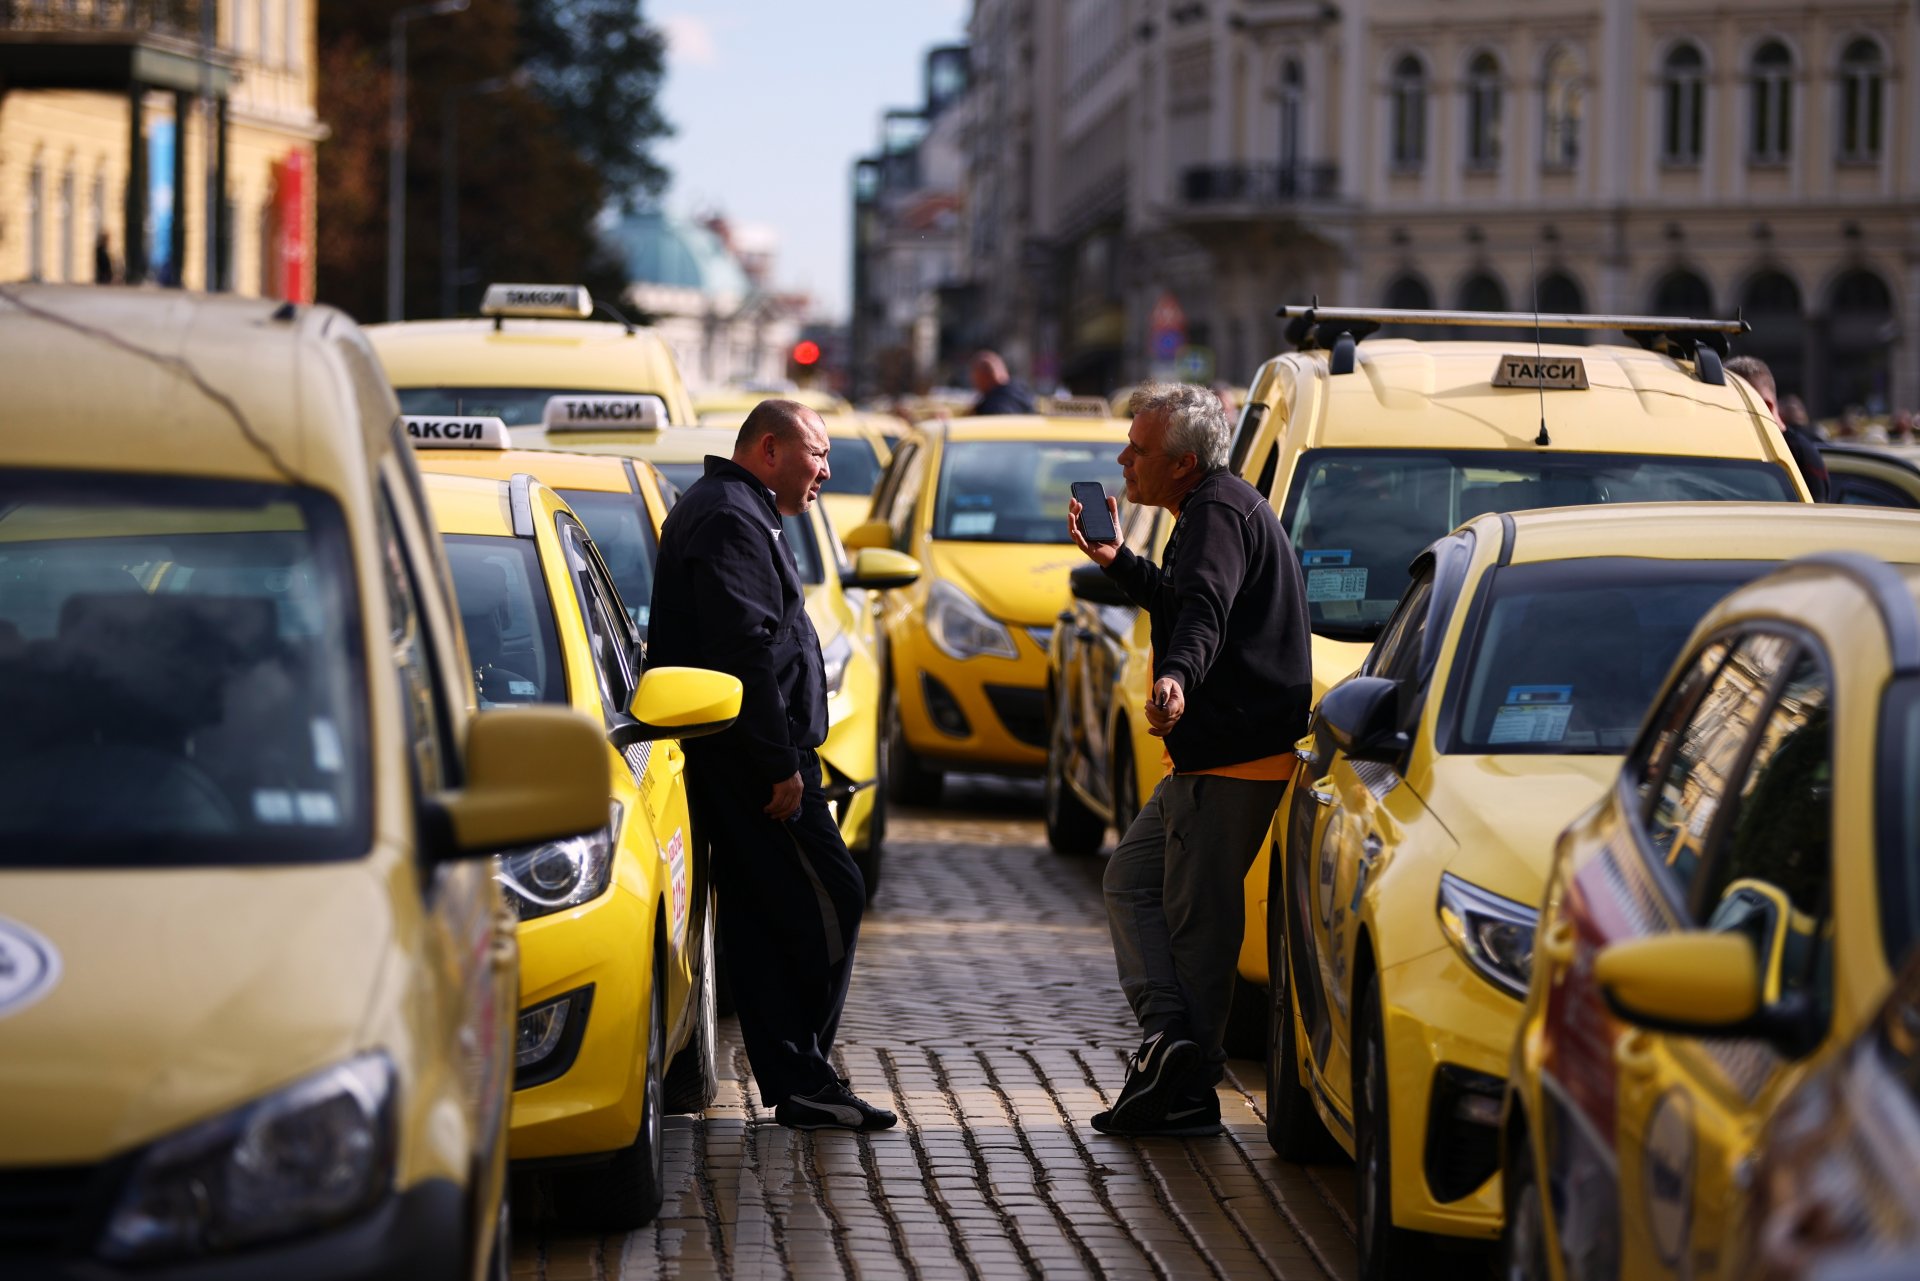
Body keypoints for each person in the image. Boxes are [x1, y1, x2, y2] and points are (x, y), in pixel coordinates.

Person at [1066, 382, 1313, 1136]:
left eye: (1138, 449)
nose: (1123, 459)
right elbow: (1183, 595)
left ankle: (1187, 1085)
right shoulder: (1211, 507)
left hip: (1232, 757)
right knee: (1133, 881)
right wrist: (1119, 561)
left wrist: (1176, 677)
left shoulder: (1215, 513)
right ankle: (1172, 1045)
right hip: (1215, 755)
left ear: (1180, 463)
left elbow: (1203, 608)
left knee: (1197, 923)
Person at [647, 399, 894, 1131]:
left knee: (764, 915)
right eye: (816, 453)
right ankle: (803, 1069)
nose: (826, 469)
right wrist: (780, 763)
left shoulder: (741, 506)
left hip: (750, 753)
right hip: (754, 764)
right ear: (767, 448)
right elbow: (744, 650)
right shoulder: (729, 514)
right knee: (834, 896)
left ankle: (799, 1078)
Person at [1726, 356, 1829, 501]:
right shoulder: (1741, 446)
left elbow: (1814, 518)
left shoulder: (1800, 455)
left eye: (1733, 406)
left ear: (1765, 406)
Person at [968, 349, 1035, 415]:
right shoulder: (1024, 394)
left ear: (984, 377)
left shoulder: (994, 405)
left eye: (975, 376)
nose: (974, 382)